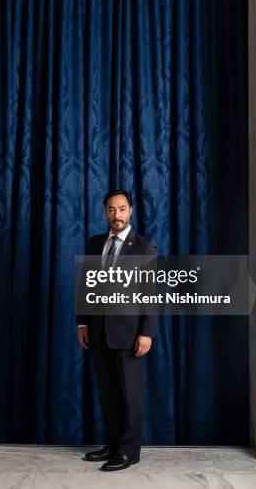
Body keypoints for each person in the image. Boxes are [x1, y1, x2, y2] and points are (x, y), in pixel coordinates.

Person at [76, 189, 157, 471]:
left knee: (130, 396)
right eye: (111, 209)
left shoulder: (144, 246)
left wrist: (146, 332)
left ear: (131, 210)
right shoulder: (94, 243)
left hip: (129, 334)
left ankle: (129, 451)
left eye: (122, 209)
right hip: (98, 332)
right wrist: (83, 322)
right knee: (108, 393)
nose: (117, 215)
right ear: (105, 212)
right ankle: (111, 445)